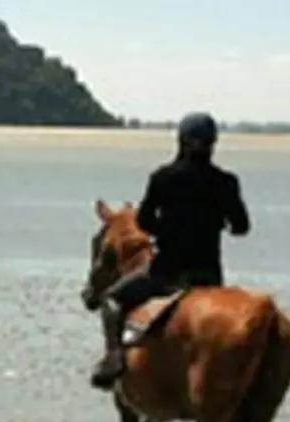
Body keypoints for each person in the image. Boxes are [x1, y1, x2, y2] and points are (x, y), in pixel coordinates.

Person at [89, 111, 251, 390]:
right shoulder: (226, 181)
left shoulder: (163, 177)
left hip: (166, 272)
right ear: (213, 143)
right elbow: (241, 227)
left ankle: (113, 359)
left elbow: (144, 221)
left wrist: (164, 230)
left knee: (111, 301)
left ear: (182, 141)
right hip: (208, 274)